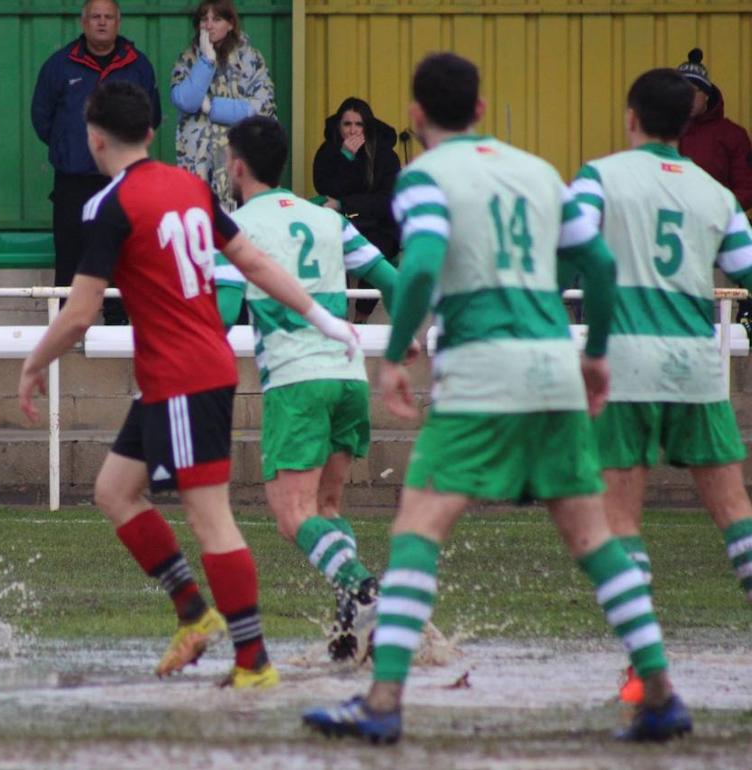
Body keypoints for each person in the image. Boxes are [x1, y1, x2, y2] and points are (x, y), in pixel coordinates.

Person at [302, 53, 691, 744]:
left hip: (482, 371)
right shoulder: (538, 172)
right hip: (550, 366)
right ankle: (658, 689)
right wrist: (596, 353)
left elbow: (419, 263)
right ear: (480, 110)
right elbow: (598, 263)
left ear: (415, 118)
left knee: (418, 526)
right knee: (591, 534)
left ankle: (385, 701)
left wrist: (395, 353)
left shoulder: (424, 176)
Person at [17, 81, 359, 689]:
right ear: (152, 133)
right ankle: (195, 614)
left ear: (94, 138)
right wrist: (325, 316)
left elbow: (79, 312)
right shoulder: (192, 186)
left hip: (182, 377)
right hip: (181, 375)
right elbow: (252, 262)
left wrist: (33, 361)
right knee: (114, 491)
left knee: (211, 520)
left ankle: (254, 662)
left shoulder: (108, 206)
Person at [570, 68, 752, 705]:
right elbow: (747, 269)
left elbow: (572, 246)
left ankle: (643, 669)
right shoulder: (716, 194)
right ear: (687, 125)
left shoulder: (601, 176)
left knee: (621, 519)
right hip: (698, 362)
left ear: (630, 117)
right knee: (735, 512)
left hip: (626, 363)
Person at [213, 115, 412, 664]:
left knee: (291, 514)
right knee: (326, 506)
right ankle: (351, 621)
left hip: (297, 380)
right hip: (348, 375)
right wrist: (405, 337)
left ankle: (369, 592)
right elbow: (391, 279)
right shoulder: (327, 219)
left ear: (236, 165)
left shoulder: (236, 225)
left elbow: (225, 310)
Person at [31, 0, 160, 325]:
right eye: (95, 17)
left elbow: (152, 116)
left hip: (121, 180)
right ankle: (67, 325)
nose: (101, 23)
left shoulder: (138, 66)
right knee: (71, 256)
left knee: (122, 252)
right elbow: (42, 118)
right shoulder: (59, 66)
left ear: (118, 22)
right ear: (83, 22)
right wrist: (69, 147)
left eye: (108, 17)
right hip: (73, 181)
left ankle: (116, 323)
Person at [170, 0, 276, 212]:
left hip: (239, 164)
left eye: (216, 19)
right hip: (197, 164)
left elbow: (262, 109)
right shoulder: (188, 59)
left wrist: (213, 108)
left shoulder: (250, 58)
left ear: (230, 24)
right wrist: (207, 61)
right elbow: (185, 100)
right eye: (204, 19)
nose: (208, 25)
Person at [676, 49, 752, 326]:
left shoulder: (732, 135)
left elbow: (747, 187)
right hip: (673, 227)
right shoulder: (663, 133)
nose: (687, 96)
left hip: (720, 227)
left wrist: (716, 210)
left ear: (707, 94)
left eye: (694, 90)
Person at [312, 97, 402, 322]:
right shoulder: (330, 150)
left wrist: (345, 203)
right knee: (331, 250)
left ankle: (361, 319)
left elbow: (386, 201)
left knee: (373, 252)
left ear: (367, 126)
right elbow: (325, 187)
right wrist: (345, 157)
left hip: (379, 224)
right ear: (339, 126)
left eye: (358, 124)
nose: (353, 130)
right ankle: (338, 317)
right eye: (347, 124)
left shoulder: (385, 155)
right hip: (344, 221)